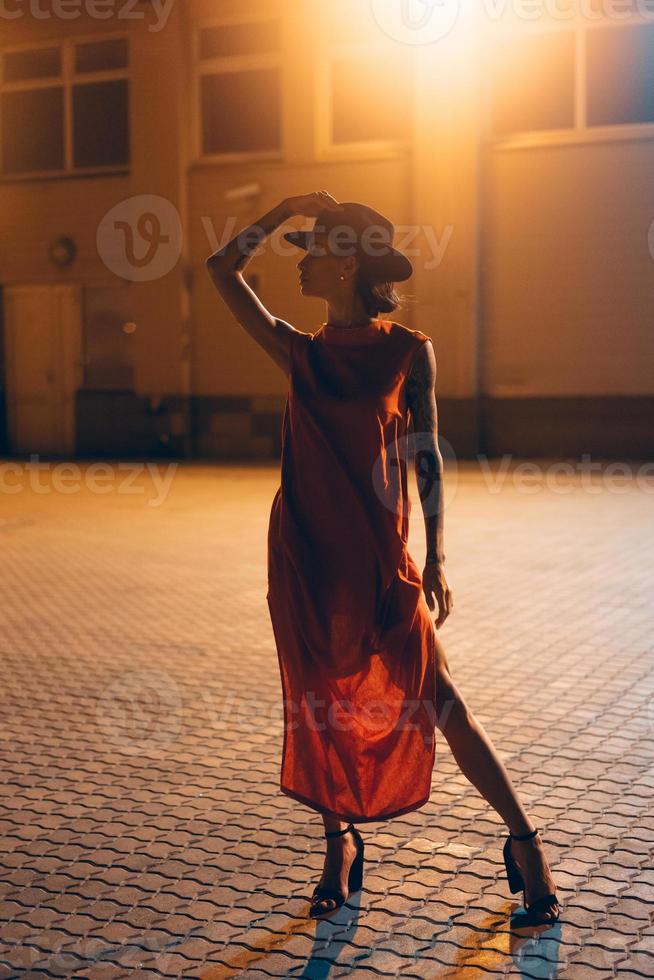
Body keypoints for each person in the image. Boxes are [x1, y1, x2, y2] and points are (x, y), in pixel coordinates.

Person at [206, 190, 560, 926]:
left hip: (377, 560)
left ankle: (527, 844)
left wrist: (435, 558)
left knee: (444, 703)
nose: (301, 263)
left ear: (350, 266)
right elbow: (219, 268)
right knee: (317, 709)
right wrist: (279, 212)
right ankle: (339, 848)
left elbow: (425, 456)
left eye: (314, 251)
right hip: (304, 556)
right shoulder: (297, 350)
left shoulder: (407, 350)